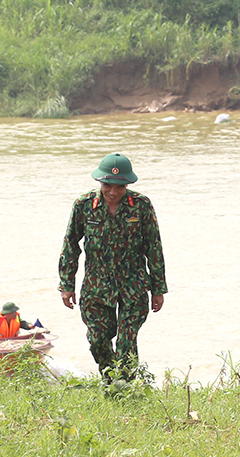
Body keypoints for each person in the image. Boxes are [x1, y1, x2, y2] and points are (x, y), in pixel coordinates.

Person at [59, 152, 167, 380]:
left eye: (120, 186)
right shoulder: (83, 205)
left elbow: (154, 247)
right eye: (108, 185)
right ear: (100, 181)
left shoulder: (141, 206)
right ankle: (110, 380)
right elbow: (70, 244)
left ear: (128, 184)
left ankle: (126, 388)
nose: (113, 192)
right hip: (97, 288)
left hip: (134, 286)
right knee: (98, 340)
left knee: (127, 342)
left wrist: (158, 289)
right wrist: (66, 284)